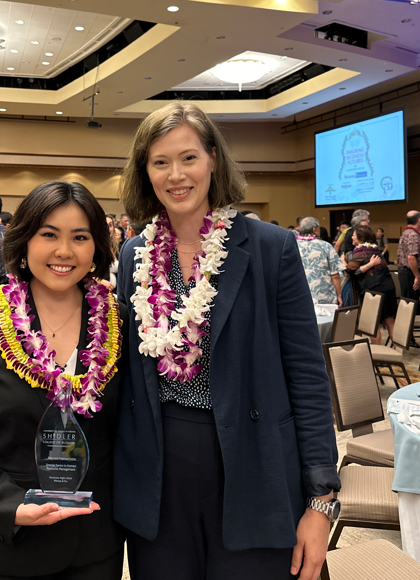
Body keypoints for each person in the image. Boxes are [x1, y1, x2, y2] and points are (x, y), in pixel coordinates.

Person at [115, 102, 340, 580]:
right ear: (146, 172)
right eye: (160, 162)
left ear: (213, 159)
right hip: (159, 469)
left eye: (189, 157)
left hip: (252, 461)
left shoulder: (269, 247)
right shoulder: (134, 254)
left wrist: (321, 501)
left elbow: (307, 377)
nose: (176, 175)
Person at [0, 181, 128, 580]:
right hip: (8, 546)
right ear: (24, 242)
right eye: (49, 235)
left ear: (96, 248)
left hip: (94, 545)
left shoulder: (119, 325)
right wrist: (9, 506)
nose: (64, 251)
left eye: (80, 237)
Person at [344, 225, 396, 344]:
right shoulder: (375, 250)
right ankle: (396, 352)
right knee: (389, 320)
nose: (352, 236)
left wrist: (342, 261)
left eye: (354, 234)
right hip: (388, 286)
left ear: (361, 239)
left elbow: (350, 271)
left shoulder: (361, 252)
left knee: (373, 323)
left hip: (373, 289)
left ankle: (376, 355)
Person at [297, 217, 343, 306]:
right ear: (314, 230)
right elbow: (335, 275)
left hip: (300, 295)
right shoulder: (326, 246)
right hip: (324, 296)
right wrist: (339, 295)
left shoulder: (293, 246)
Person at [397, 210, 420, 304]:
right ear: (419, 220)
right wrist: (417, 276)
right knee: (411, 303)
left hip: (406, 272)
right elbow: (411, 258)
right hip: (409, 273)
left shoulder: (406, 232)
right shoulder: (413, 235)